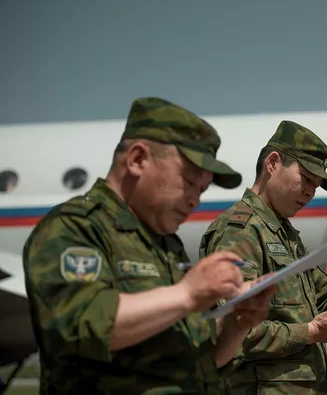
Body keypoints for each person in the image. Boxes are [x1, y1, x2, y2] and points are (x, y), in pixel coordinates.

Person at [22, 97, 276, 394]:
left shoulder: (165, 245)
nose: (195, 200)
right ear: (138, 160)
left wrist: (236, 322)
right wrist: (187, 293)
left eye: (202, 190)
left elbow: (203, 360)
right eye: (189, 182)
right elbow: (79, 327)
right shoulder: (76, 227)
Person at [199, 120, 327, 394]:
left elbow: (321, 299)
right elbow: (230, 330)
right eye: (306, 178)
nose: (311, 192)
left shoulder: (284, 234)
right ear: (272, 163)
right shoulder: (239, 232)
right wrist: (309, 333)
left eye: (316, 185)